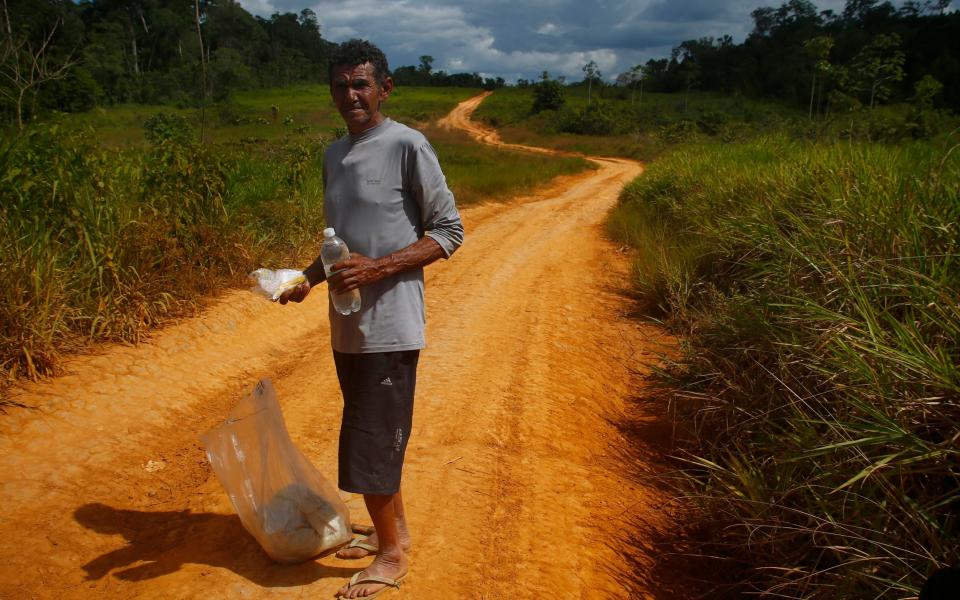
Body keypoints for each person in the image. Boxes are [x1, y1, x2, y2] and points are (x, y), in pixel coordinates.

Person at [279, 39, 463, 599]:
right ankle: (395, 532)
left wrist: (380, 268)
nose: (350, 95)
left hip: (391, 324)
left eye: (361, 84)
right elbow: (339, 245)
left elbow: (449, 232)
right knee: (373, 434)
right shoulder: (335, 154)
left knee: (370, 439)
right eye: (340, 85)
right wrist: (309, 278)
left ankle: (391, 556)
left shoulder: (408, 145)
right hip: (348, 324)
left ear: (385, 88)